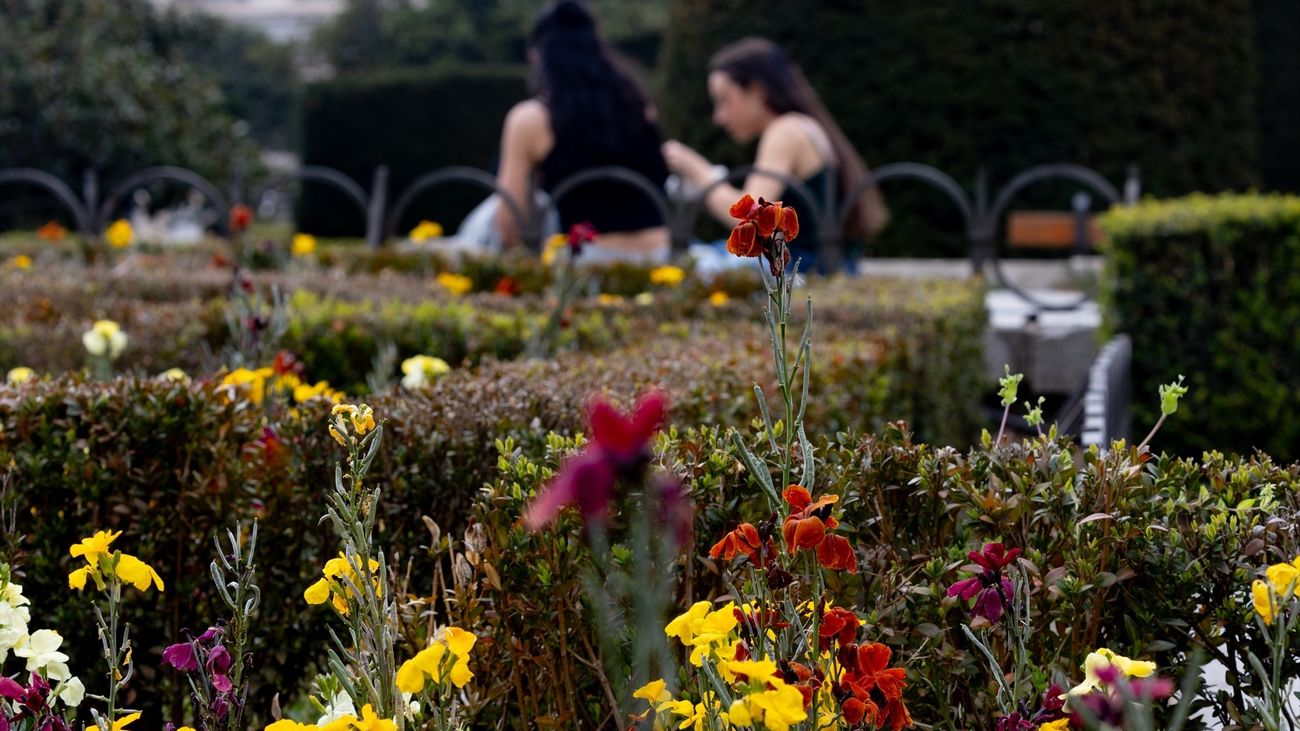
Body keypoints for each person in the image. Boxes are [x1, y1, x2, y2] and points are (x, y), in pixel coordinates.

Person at [663, 37, 888, 271]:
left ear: (758, 91)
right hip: (814, 267)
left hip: (799, 272)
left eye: (724, 100)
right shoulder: (802, 125)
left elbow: (750, 220)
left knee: (685, 261)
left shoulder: (785, 131)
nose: (718, 117)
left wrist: (700, 173)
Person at [493, 0, 671, 263]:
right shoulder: (640, 105)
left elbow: (508, 222)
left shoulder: (531, 119)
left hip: (586, 260)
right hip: (661, 256)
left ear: (538, 54)